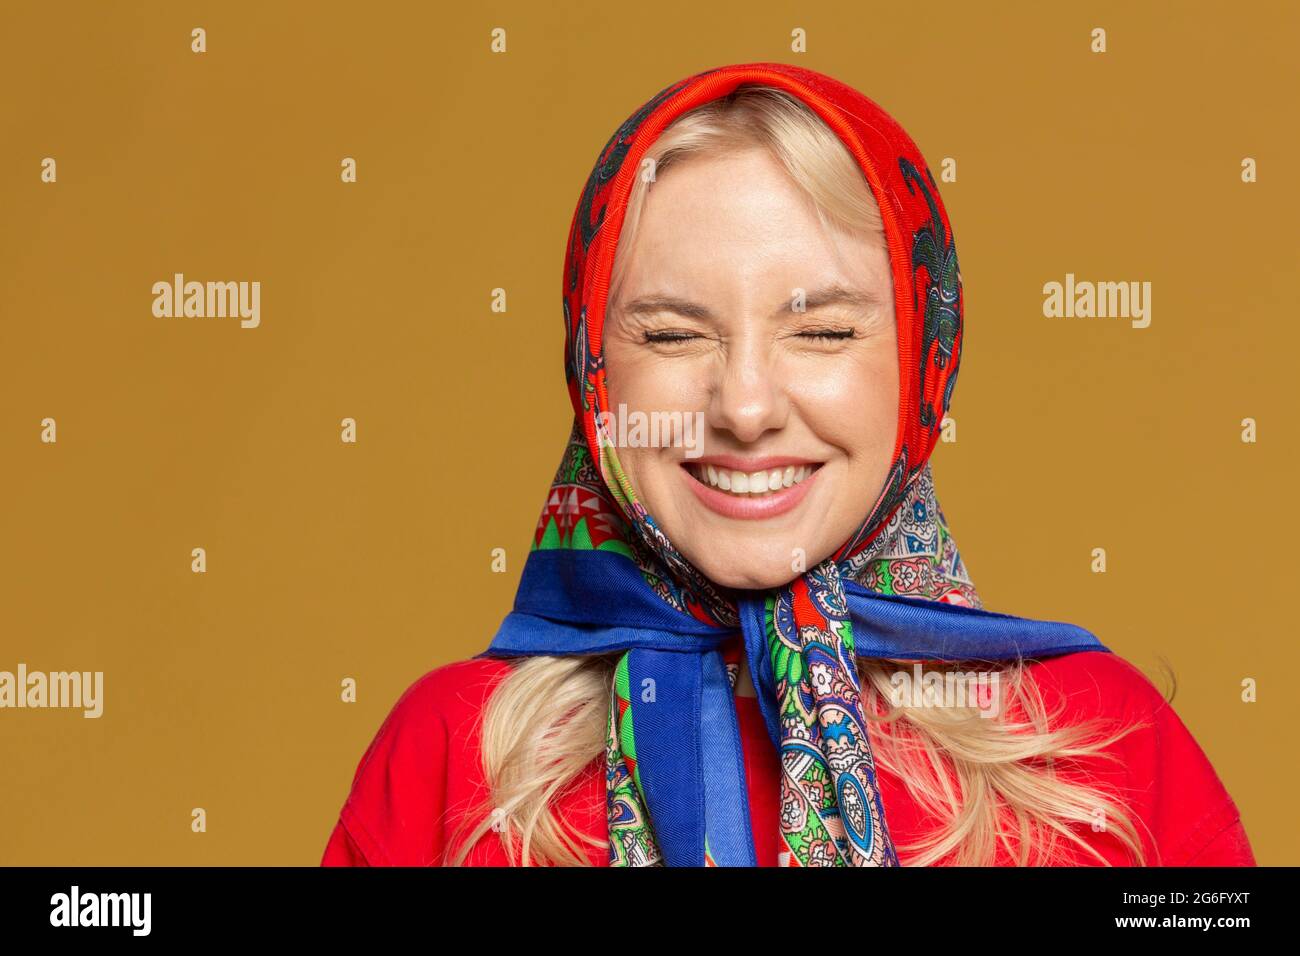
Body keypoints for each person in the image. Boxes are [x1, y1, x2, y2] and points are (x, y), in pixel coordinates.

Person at [321, 62, 1254, 867]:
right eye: (673, 333)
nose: (746, 407)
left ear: (922, 365)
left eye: (823, 331)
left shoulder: (1101, 745)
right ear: (594, 372)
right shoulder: (453, 753)